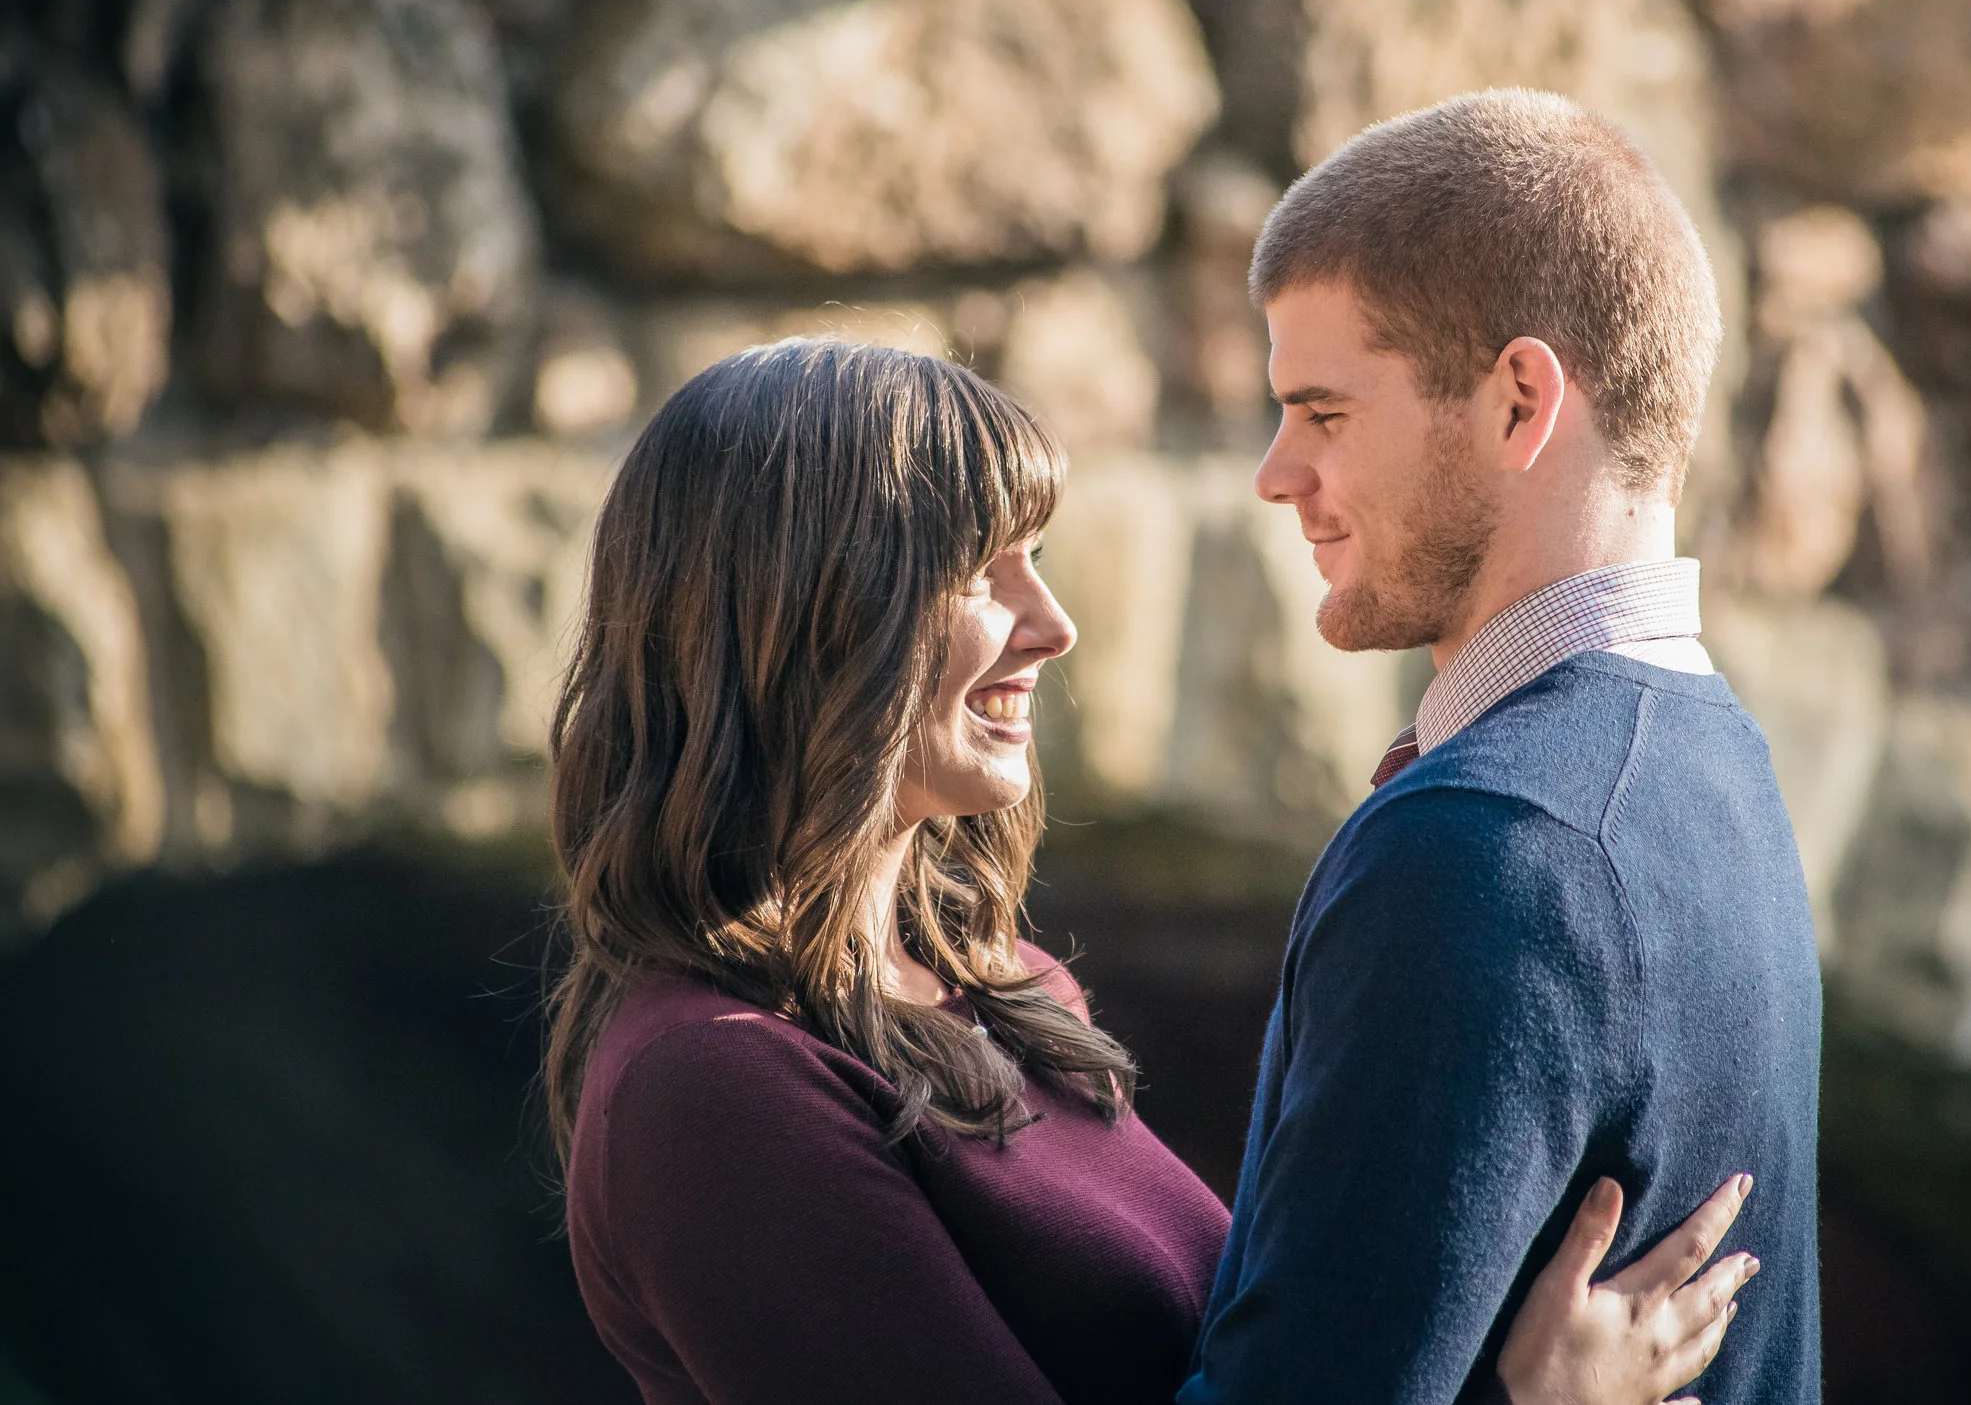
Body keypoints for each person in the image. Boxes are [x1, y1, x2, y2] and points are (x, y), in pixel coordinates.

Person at [543, 338, 1762, 1405]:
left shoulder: (1008, 988)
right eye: (982, 569)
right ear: (801, 615)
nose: (1052, 620)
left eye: (1037, 555)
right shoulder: (706, 1090)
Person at [1177, 90, 1823, 1405]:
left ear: (1521, 399)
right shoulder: (1718, 763)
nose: (1275, 473)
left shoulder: (1487, 854)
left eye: (1325, 412)